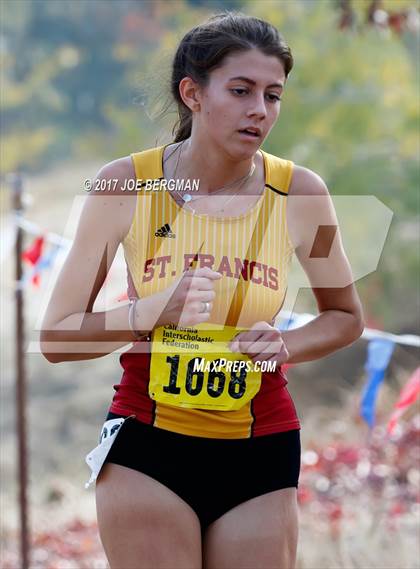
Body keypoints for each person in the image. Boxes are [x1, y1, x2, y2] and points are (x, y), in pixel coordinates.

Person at [40, 11, 364, 569]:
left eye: (273, 95)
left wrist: (287, 345)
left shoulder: (301, 192)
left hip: (260, 443)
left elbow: (344, 317)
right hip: (149, 442)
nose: (259, 110)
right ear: (192, 93)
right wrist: (149, 312)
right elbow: (57, 336)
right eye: (241, 91)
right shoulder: (126, 184)